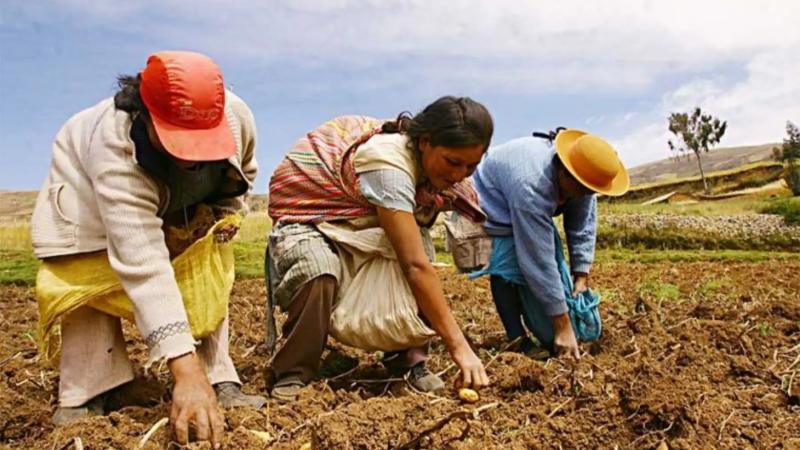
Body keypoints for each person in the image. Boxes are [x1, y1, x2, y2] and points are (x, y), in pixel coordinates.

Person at [30, 51, 264, 447]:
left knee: (203, 268)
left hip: (183, 201)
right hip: (87, 208)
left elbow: (245, 170)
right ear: (146, 116)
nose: (191, 159)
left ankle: (217, 374)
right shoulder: (114, 150)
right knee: (88, 280)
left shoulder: (235, 115)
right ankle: (88, 391)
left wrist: (226, 215)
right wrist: (182, 372)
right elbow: (143, 264)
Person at [266, 97, 494, 402]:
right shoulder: (388, 164)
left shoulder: (437, 177)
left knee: (421, 249)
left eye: (471, 166)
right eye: (453, 162)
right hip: (315, 218)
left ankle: (408, 361)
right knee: (316, 270)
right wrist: (459, 346)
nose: (459, 175)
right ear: (424, 142)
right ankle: (294, 371)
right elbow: (414, 267)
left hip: (367, 221)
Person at [471, 129, 630, 358]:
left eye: (590, 192)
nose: (585, 195)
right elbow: (539, 260)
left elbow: (582, 224)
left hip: (523, 199)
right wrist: (562, 327)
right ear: (564, 174)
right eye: (582, 190)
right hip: (491, 203)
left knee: (554, 287)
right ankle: (516, 338)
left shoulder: (583, 178)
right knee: (506, 267)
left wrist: (581, 274)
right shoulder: (531, 186)